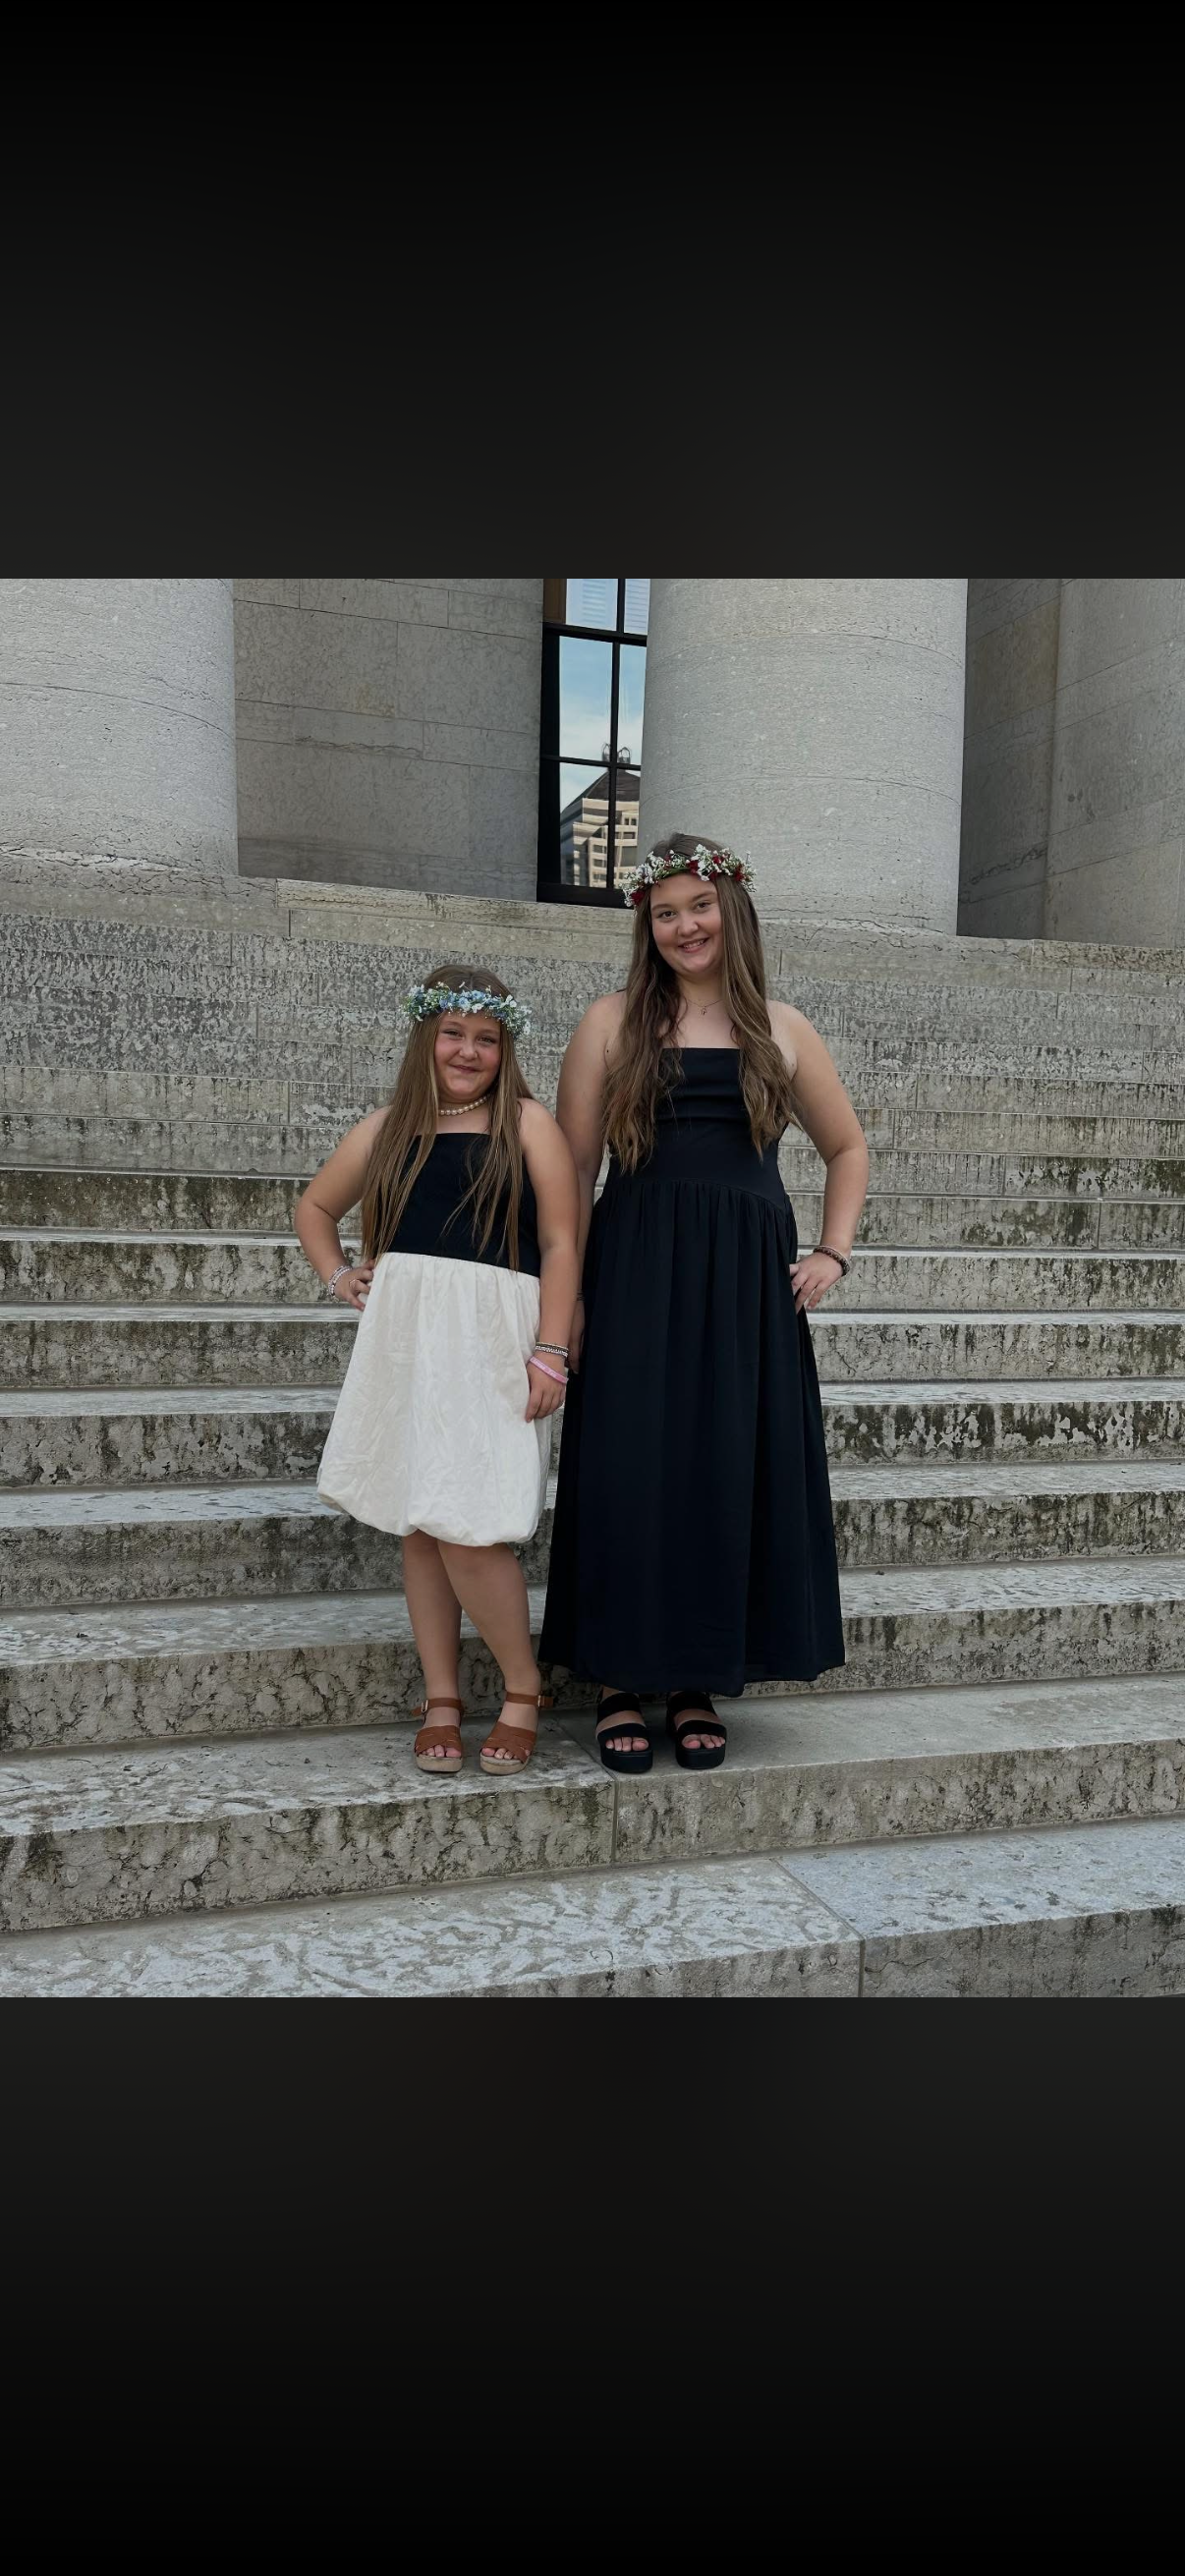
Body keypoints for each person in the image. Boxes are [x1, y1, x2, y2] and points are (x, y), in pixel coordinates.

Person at [539, 834, 869, 1774]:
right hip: (635, 1269)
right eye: (666, 912)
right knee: (629, 1467)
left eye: (699, 907)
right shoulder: (610, 1022)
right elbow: (571, 1172)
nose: (684, 926)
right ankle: (616, 1677)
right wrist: (569, 1303)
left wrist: (833, 1252)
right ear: (646, 924)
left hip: (745, 1288)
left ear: (733, 911)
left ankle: (693, 1679)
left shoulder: (782, 1028)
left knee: (722, 1470)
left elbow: (848, 1148)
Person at [295, 965, 579, 1779]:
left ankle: (522, 1689)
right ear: (426, 1036)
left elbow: (562, 1240)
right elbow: (314, 1207)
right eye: (453, 1033)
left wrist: (552, 1349)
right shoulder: (388, 1128)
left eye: (486, 1039)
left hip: (494, 1335)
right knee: (420, 1523)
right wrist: (338, 1274)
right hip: (409, 1337)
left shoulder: (526, 1123)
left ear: (506, 1048)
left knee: (470, 1523)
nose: (468, 1051)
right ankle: (442, 1697)